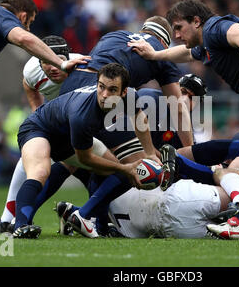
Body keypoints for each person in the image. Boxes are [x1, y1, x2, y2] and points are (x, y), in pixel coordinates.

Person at [128, 0, 239, 240]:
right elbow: (184, 53)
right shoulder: (207, 43)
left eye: (179, 27)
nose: (177, 34)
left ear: (197, 21)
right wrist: (155, 54)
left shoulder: (214, 28)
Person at [0, 0, 89, 236]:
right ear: (23, 16)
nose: (28, 27)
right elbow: (25, 39)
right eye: (30, 22)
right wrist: (60, 62)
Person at [13, 63, 160, 238]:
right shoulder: (82, 115)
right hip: (38, 128)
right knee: (40, 171)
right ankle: (20, 225)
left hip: (66, 135)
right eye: (101, 87)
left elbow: (139, 119)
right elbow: (86, 159)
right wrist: (124, 168)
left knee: (115, 173)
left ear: (124, 92)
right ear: (97, 84)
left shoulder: (131, 96)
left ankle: (99, 225)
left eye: (112, 90)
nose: (105, 95)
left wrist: (150, 152)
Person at [0, 35, 112, 233]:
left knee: (96, 168)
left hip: (82, 124)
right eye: (46, 61)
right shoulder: (32, 69)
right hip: (52, 121)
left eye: (59, 61)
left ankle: (91, 218)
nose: (53, 67)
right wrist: (37, 111)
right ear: (39, 61)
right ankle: (9, 220)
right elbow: (28, 84)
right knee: (35, 162)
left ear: (68, 58)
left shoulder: (85, 69)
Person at [77, 15, 194, 151]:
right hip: (103, 94)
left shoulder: (115, 35)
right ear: (164, 42)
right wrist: (191, 151)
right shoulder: (162, 54)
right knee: (140, 159)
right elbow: (178, 109)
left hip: (75, 85)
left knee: (74, 155)